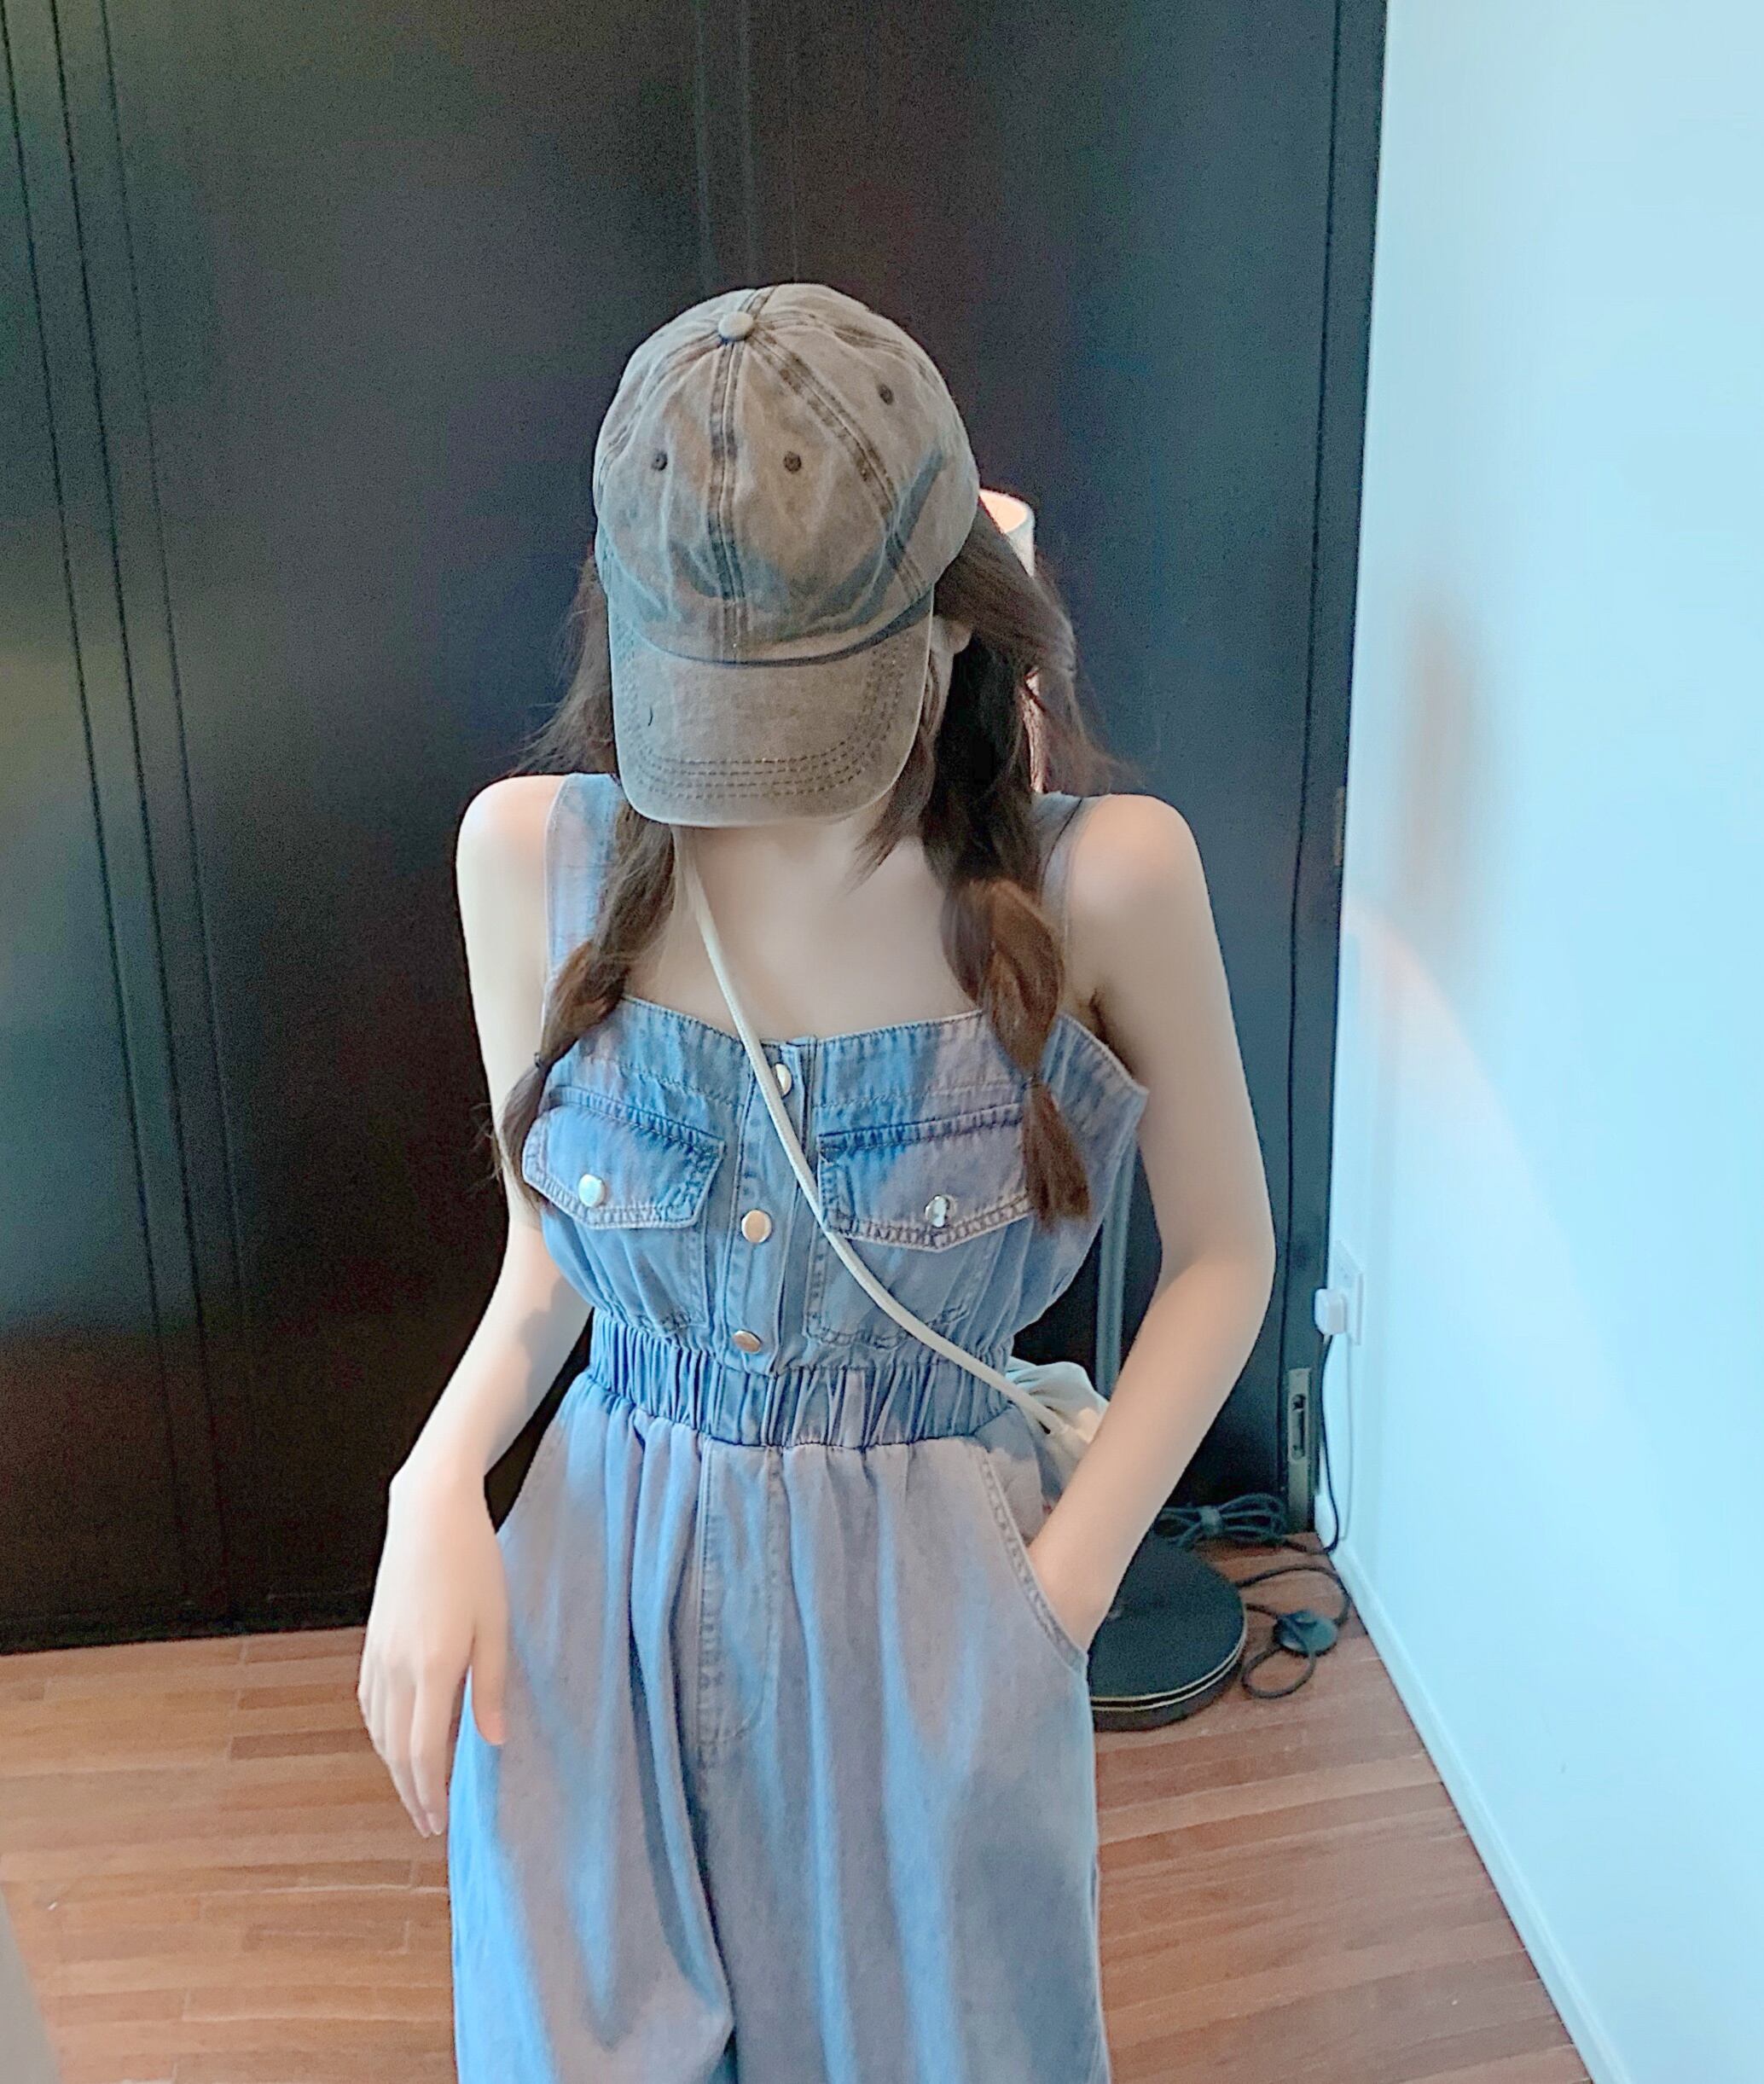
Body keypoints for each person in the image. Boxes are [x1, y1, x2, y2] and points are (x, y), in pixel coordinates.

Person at [357, 282, 1274, 2083]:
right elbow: (548, 1267)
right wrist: (433, 1481)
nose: (756, 798)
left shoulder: (1106, 886)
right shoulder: (528, 860)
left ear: (953, 622)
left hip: (929, 1629)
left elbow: (1227, 1256)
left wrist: (1055, 1597)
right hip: (593, 1610)